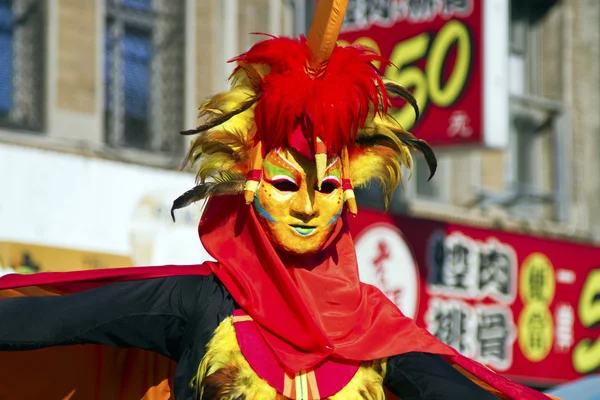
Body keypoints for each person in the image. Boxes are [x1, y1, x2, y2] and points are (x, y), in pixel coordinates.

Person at [0, 1, 557, 399]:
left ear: (351, 198)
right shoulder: (203, 303)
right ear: (248, 184)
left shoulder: (374, 329)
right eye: (287, 184)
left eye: (329, 188)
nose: (310, 208)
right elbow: (54, 318)